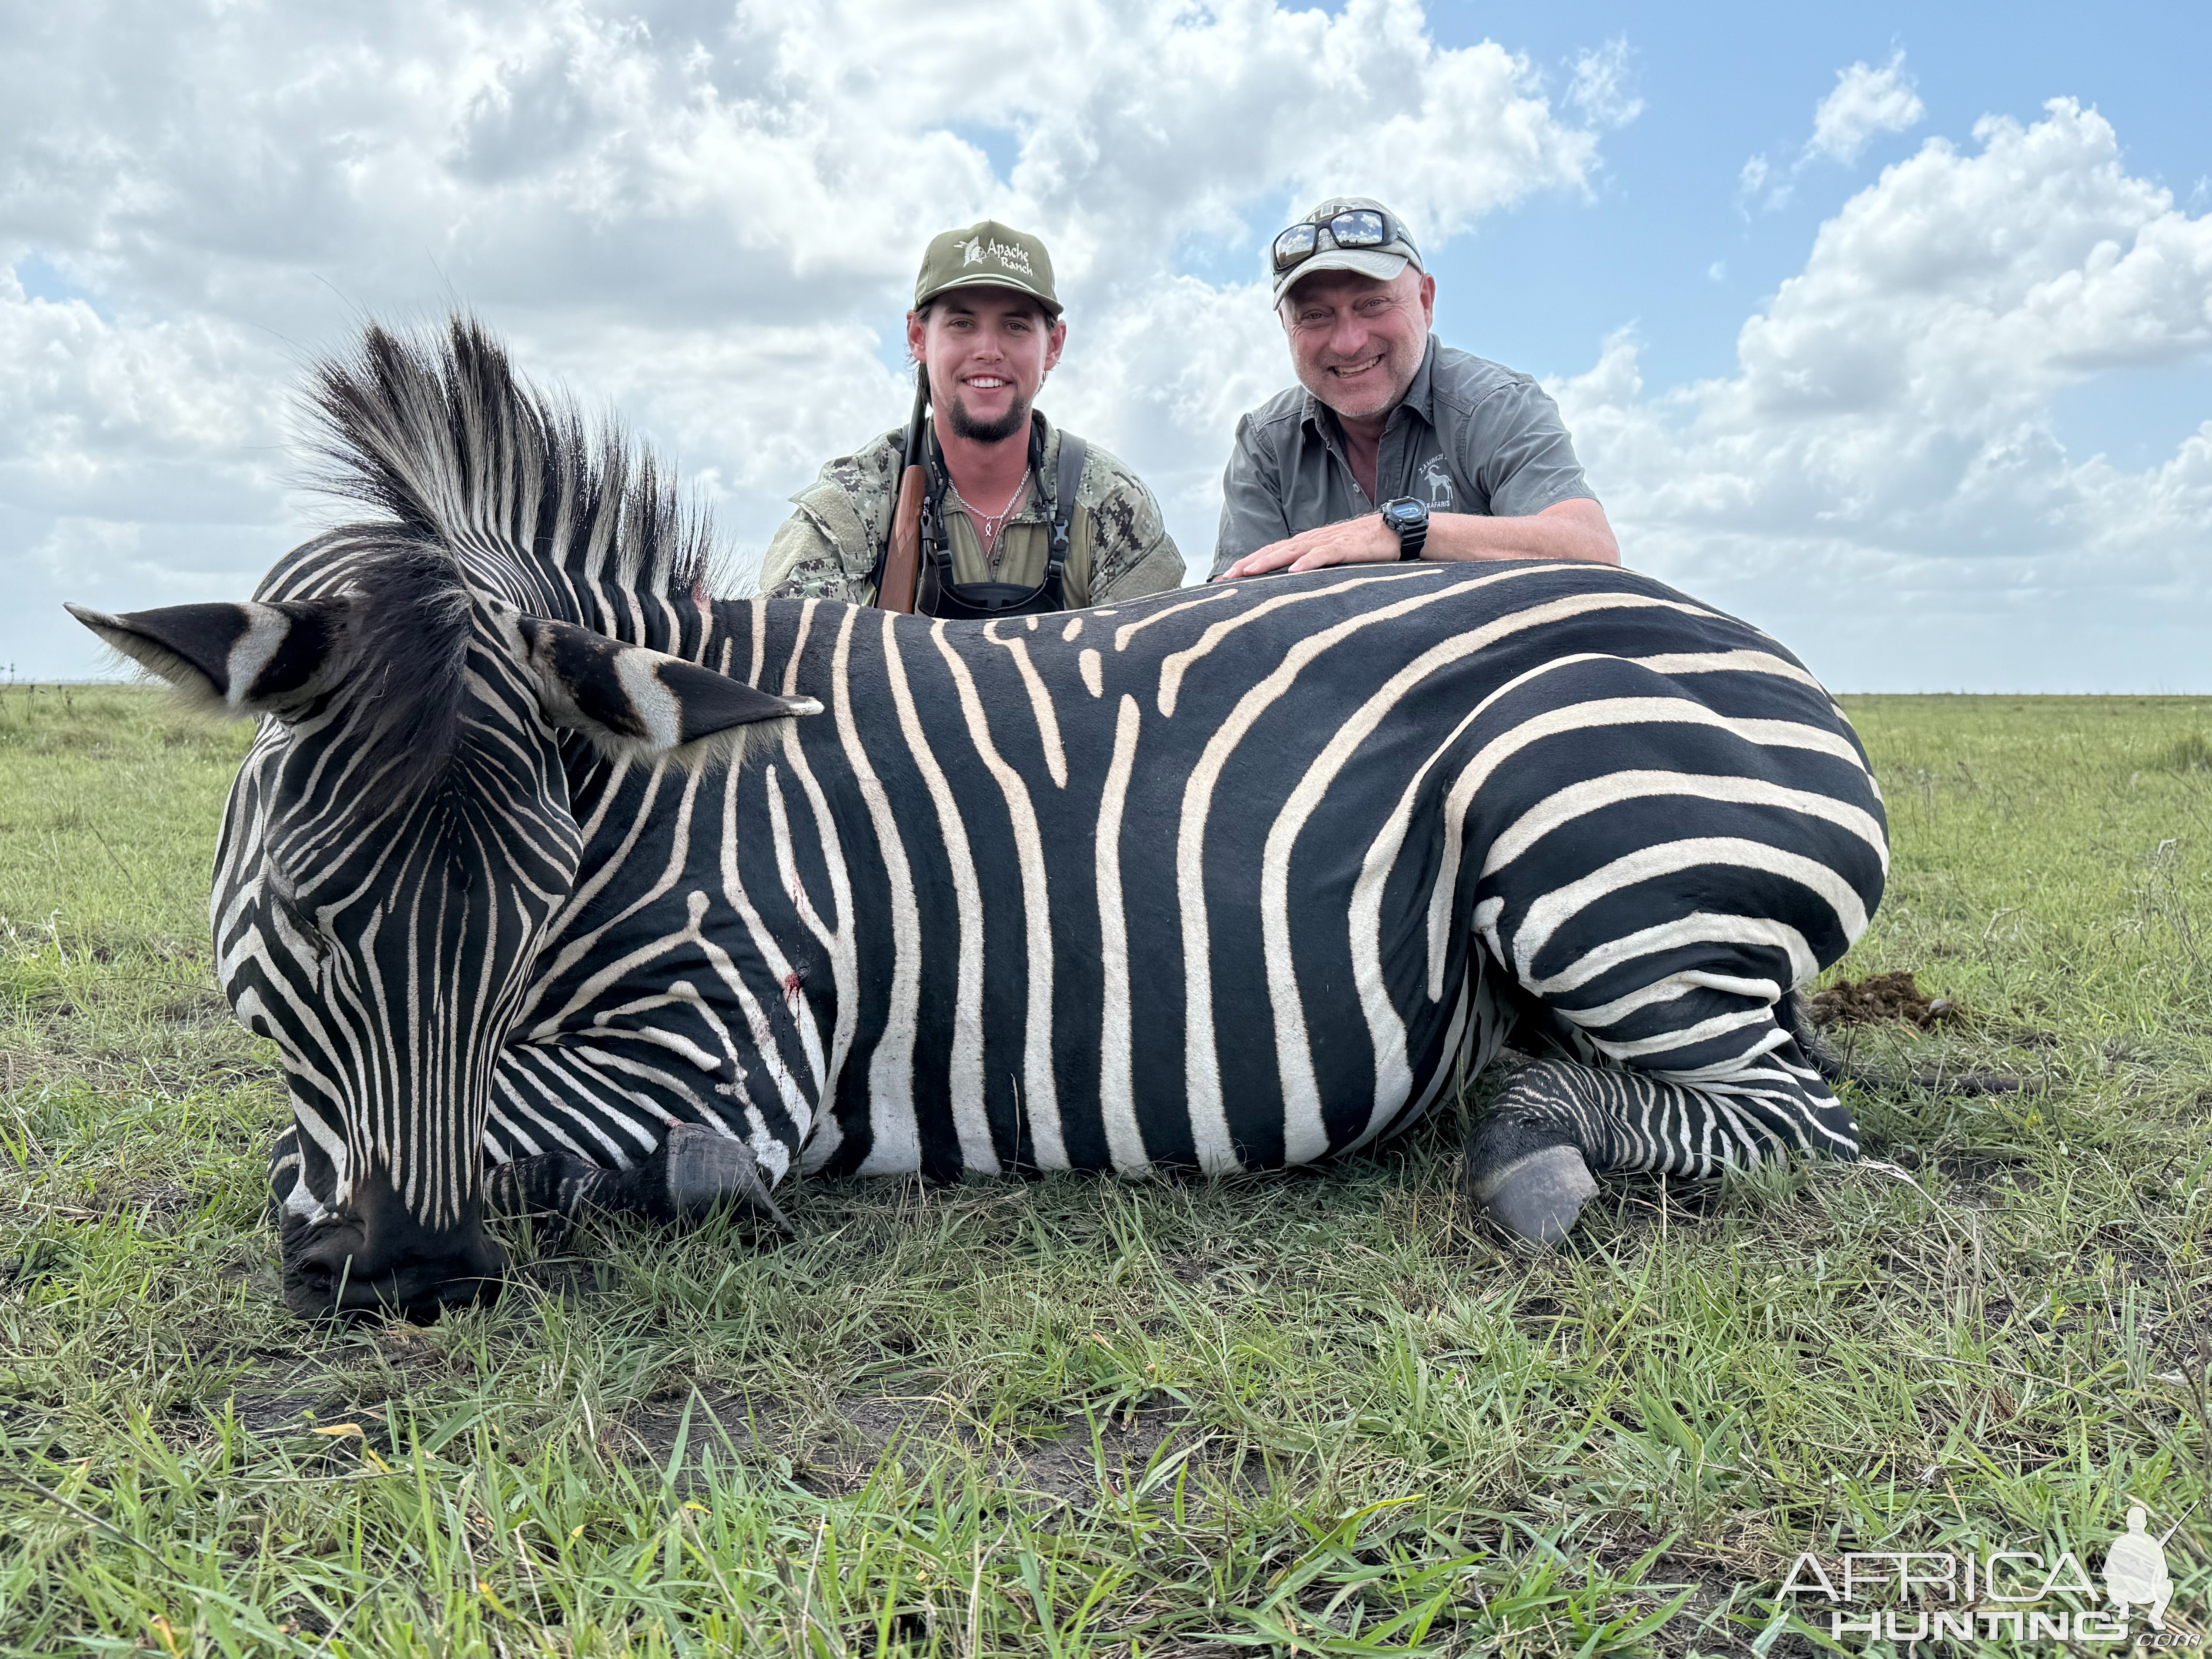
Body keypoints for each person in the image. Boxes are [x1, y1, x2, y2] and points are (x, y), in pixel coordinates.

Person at [758, 220, 1184, 614]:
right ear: (918, 337)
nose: (988, 350)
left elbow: (1160, 664)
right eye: (962, 323)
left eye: (1015, 326)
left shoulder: (1113, 504)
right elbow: (787, 643)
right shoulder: (858, 501)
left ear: (1053, 345)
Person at [1212, 196, 1619, 579]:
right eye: (1316, 315)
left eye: (1373, 304)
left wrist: (1401, 531)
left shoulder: (1496, 405)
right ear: (1287, 327)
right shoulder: (1266, 445)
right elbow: (1234, 604)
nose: (1349, 342)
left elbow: (1593, 551)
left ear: (1426, 302)